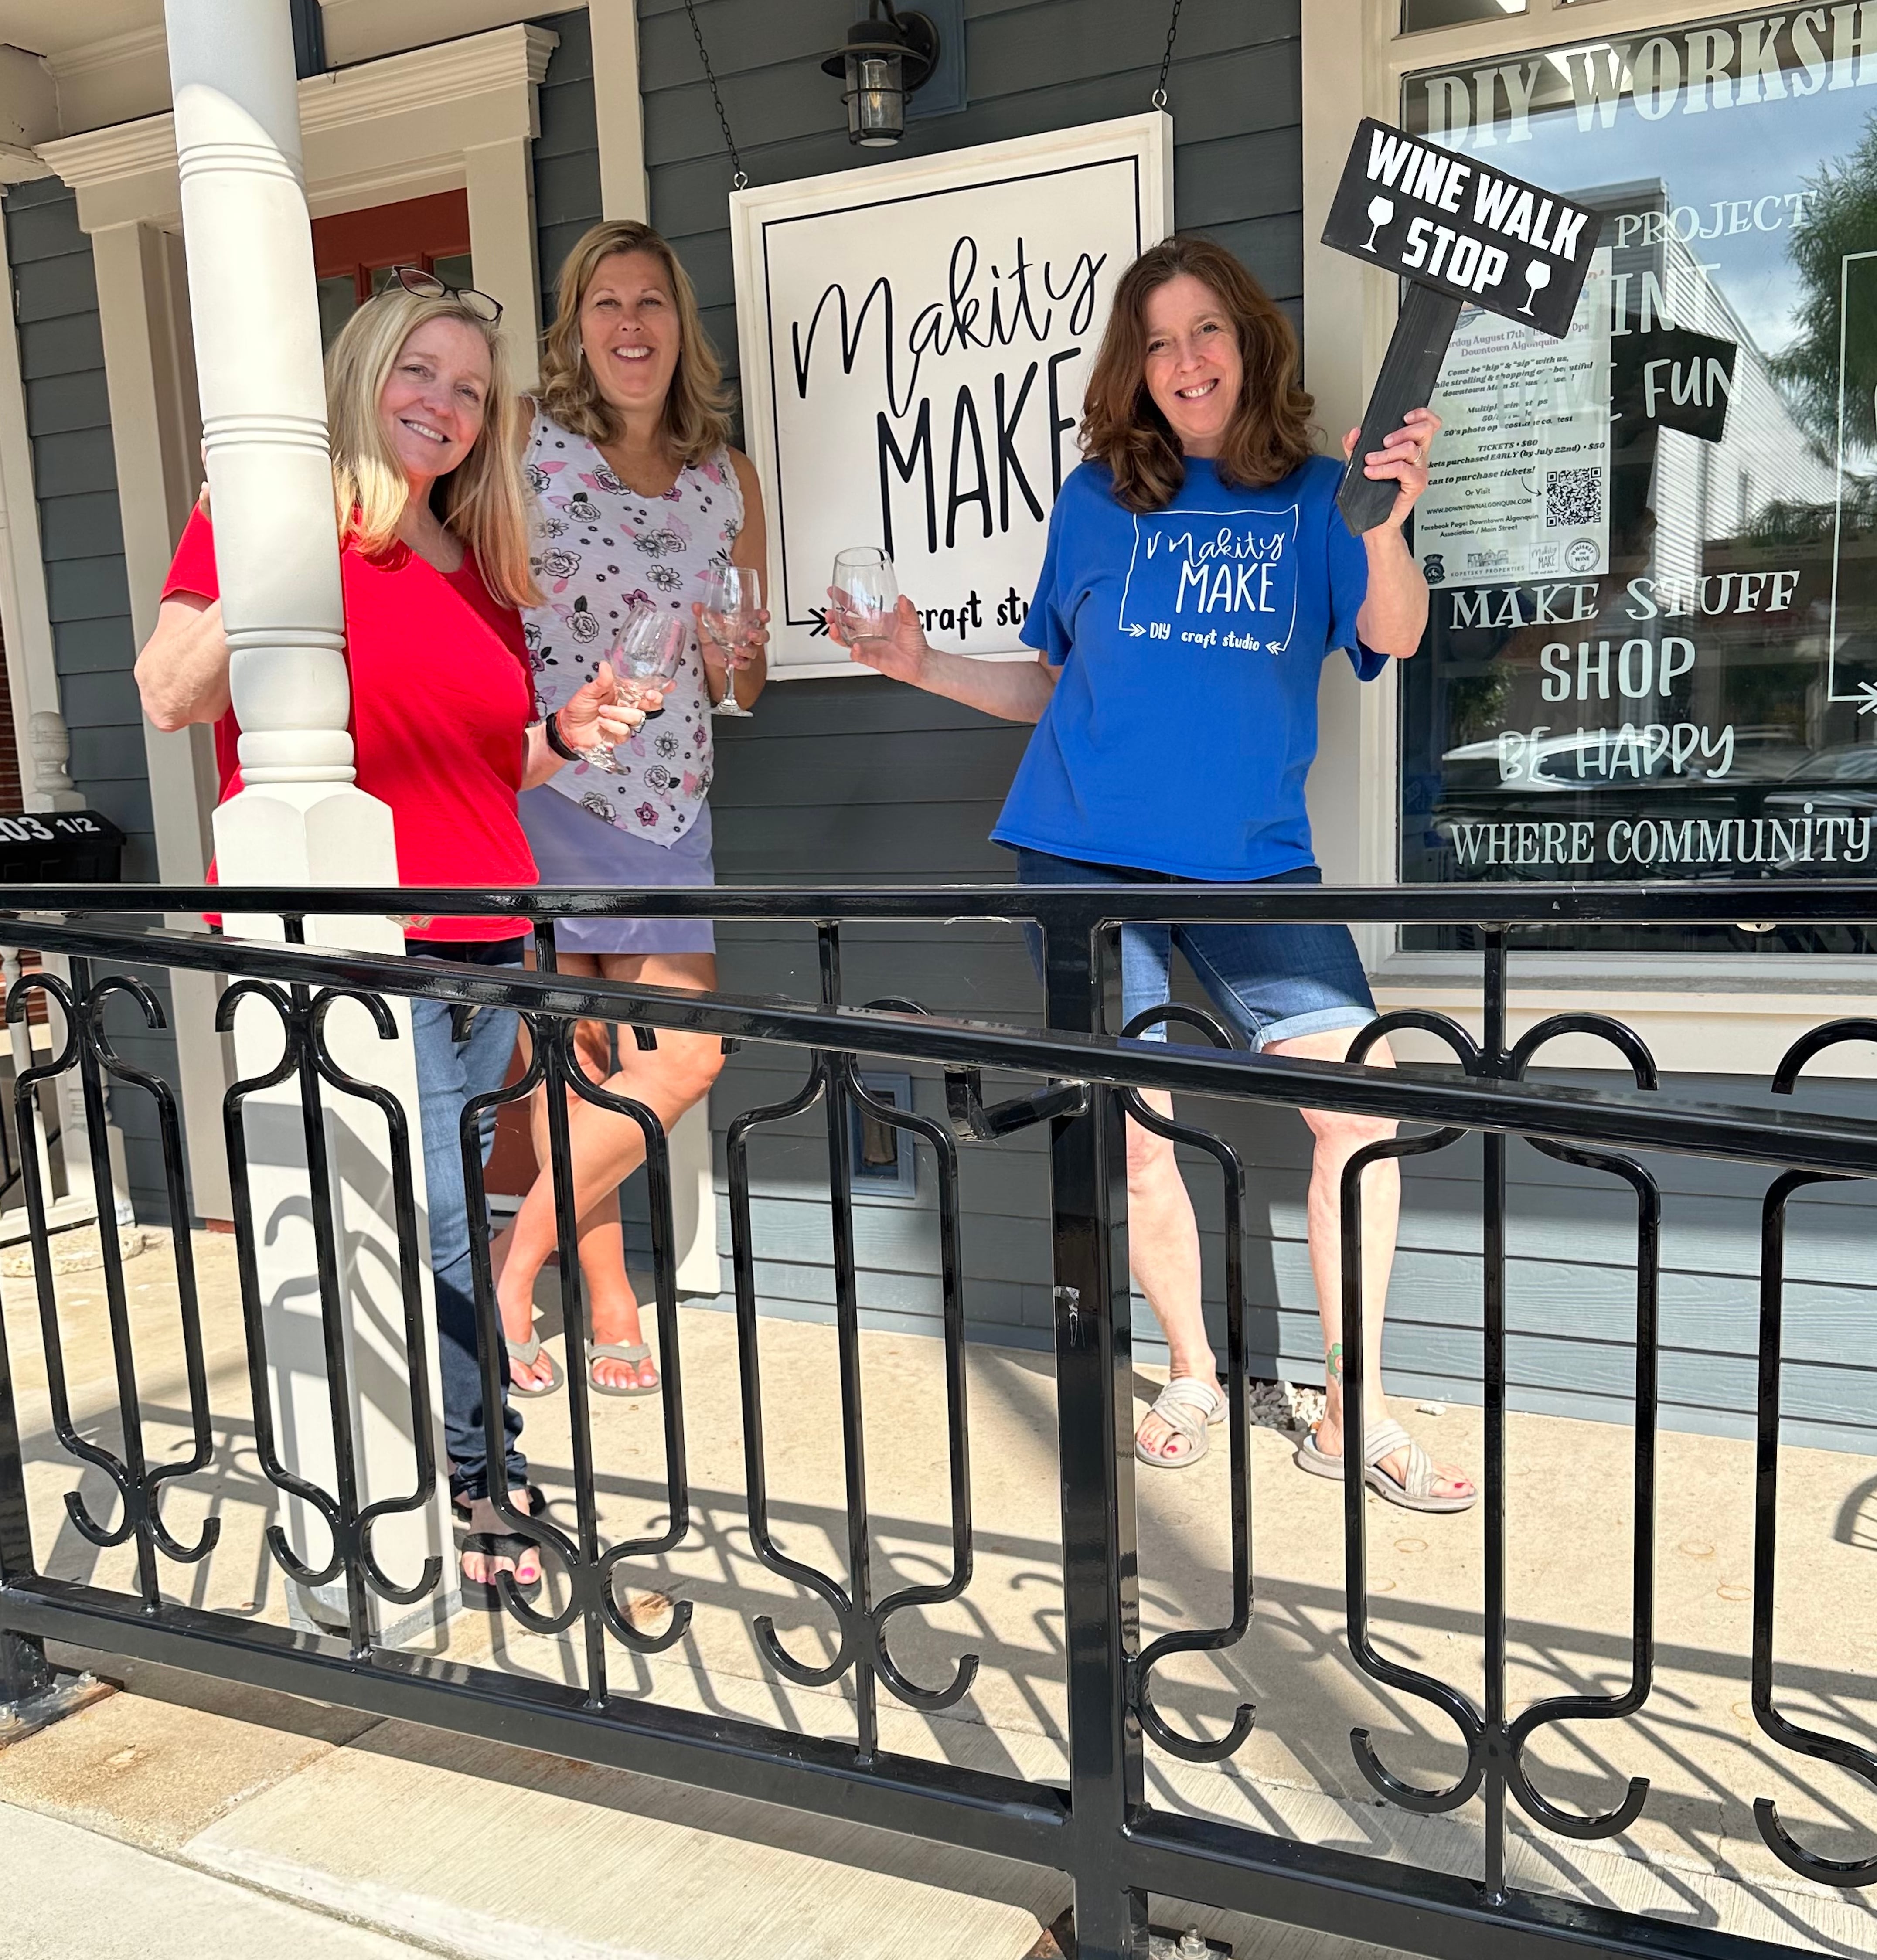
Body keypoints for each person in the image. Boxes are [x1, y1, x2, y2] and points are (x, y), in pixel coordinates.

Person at [835, 235, 1475, 1514]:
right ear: (1134, 368)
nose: (1185, 361)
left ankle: (1354, 1405)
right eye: (1158, 341)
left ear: (1250, 343)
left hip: (1250, 866)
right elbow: (1054, 682)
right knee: (1135, 1132)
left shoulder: (1322, 491)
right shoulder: (1097, 496)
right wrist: (918, 666)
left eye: (1207, 332)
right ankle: (1189, 1370)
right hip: (1076, 853)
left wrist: (1389, 524)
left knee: (1357, 1108)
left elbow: (1388, 635)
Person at [134, 278, 655, 1602]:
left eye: (470, 391)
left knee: (439, 1213)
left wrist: (564, 738)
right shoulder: (275, 522)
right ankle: (485, 1485)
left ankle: (431, 1458)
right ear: (363, 374)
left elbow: (484, 764)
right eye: (419, 372)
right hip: (365, 942)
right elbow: (168, 695)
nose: (444, 404)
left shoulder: (470, 560)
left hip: (487, 933)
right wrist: (285, 517)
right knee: (430, 1222)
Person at [493, 219, 769, 1399]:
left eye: (650, 300)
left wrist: (739, 654)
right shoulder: (523, 440)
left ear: (679, 325)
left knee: (682, 1057)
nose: (629, 324)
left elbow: (741, 684)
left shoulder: (727, 475)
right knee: (581, 1057)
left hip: (667, 803)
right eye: (604, 302)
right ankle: (605, 1298)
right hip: (547, 779)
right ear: (574, 329)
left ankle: (511, 1269)